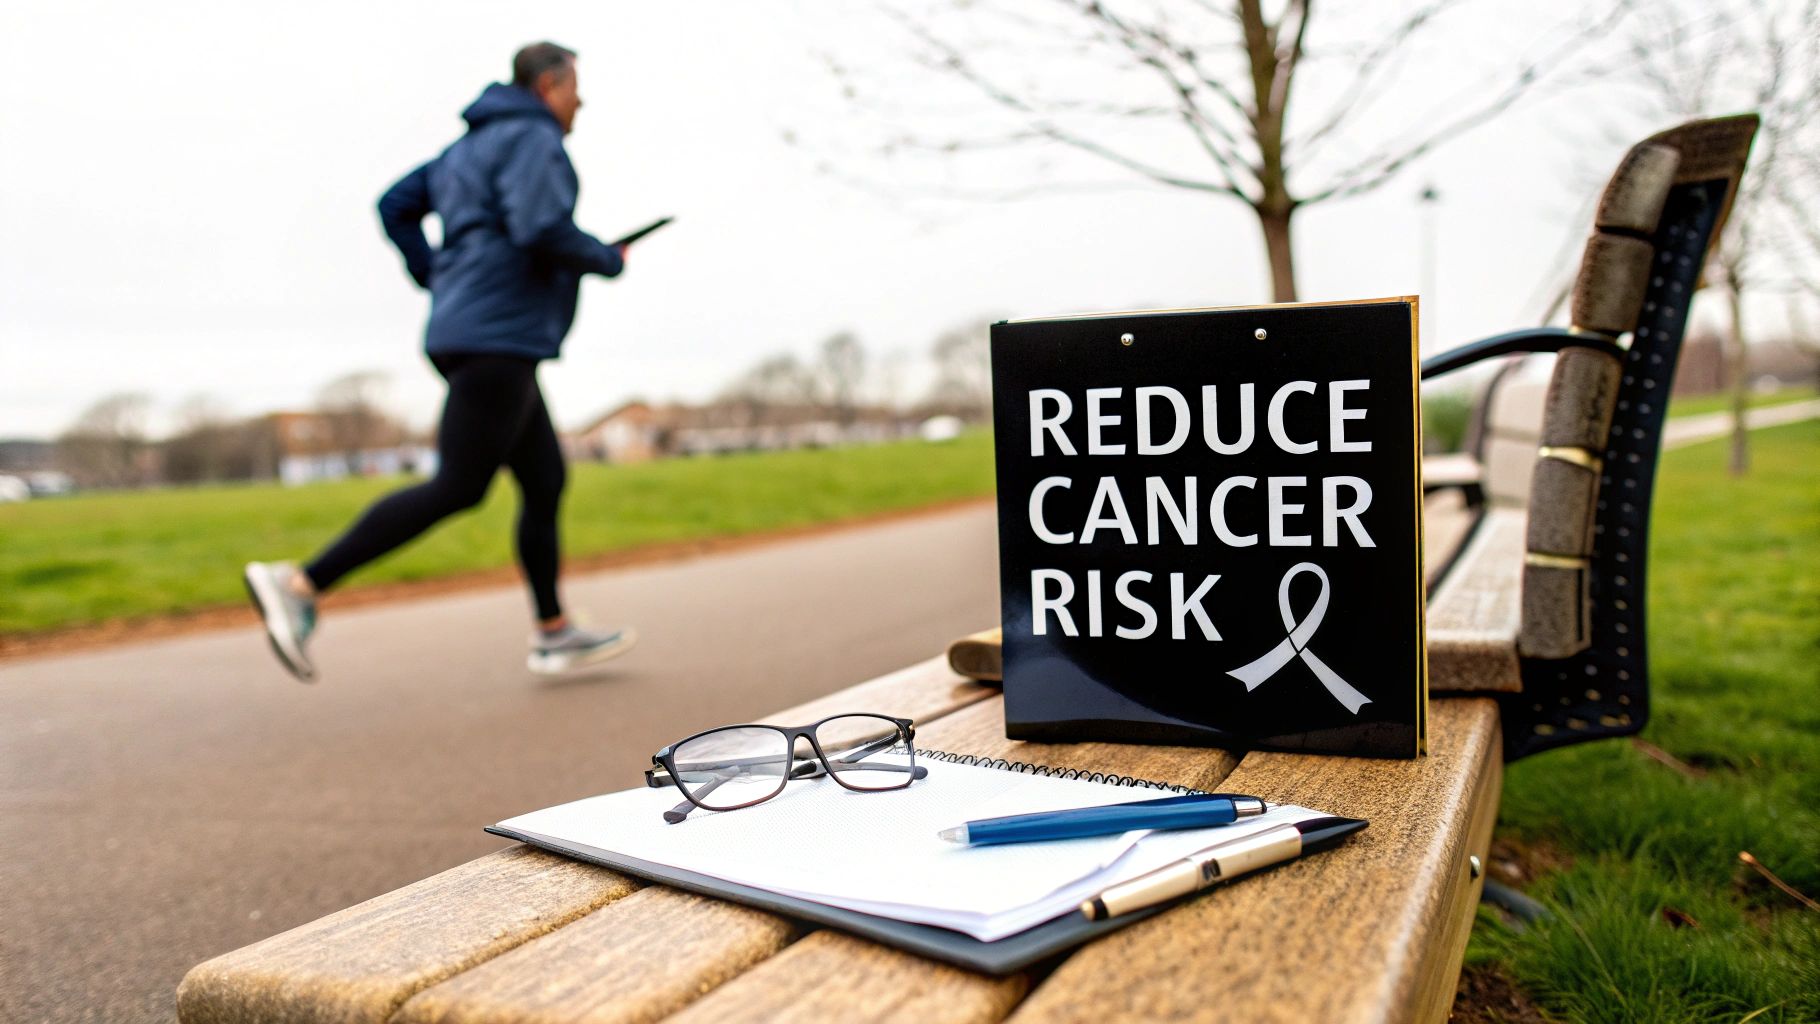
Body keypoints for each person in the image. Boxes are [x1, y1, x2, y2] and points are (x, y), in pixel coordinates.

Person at [245, 42, 636, 681]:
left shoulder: (462, 151)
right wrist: (606, 257)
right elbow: (540, 227)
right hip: (497, 336)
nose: (579, 104)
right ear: (547, 84)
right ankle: (300, 582)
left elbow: (394, 206)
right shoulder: (533, 138)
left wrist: (439, 275)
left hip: (481, 331)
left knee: (544, 481)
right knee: (458, 486)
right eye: (574, 91)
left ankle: (554, 631)